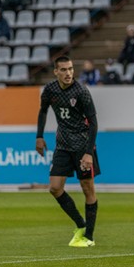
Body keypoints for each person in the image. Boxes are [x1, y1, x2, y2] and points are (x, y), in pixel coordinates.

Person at [35, 56, 100, 248]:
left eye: (70, 69)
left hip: (82, 147)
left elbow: (94, 123)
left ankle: (88, 236)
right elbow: (43, 111)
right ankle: (80, 224)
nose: (68, 73)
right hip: (62, 145)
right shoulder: (50, 90)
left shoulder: (81, 92)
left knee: (87, 188)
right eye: (63, 70)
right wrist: (39, 136)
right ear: (56, 72)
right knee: (55, 188)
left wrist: (88, 153)